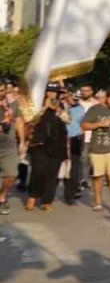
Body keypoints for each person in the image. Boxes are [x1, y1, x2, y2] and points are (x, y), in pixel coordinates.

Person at [24, 88, 68, 212]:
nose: (52, 95)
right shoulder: (36, 105)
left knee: (52, 173)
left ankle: (47, 200)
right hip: (39, 144)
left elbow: (68, 120)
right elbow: (30, 121)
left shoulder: (62, 106)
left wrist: (58, 110)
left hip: (57, 145)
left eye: (55, 92)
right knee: (38, 171)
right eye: (50, 91)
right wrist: (44, 108)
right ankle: (32, 196)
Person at [0, 85, 24, 215]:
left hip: (9, 146)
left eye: (2, 90)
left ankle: (2, 197)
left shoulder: (12, 104)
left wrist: (21, 142)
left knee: (11, 174)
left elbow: (19, 122)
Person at [64, 87, 86, 203]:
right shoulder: (61, 106)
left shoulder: (80, 109)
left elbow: (83, 125)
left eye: (77, 99)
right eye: (73, 98)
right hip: (60, 139)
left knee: (74, 167)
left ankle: (71, 193)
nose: (75, 101)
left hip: (74, 138)